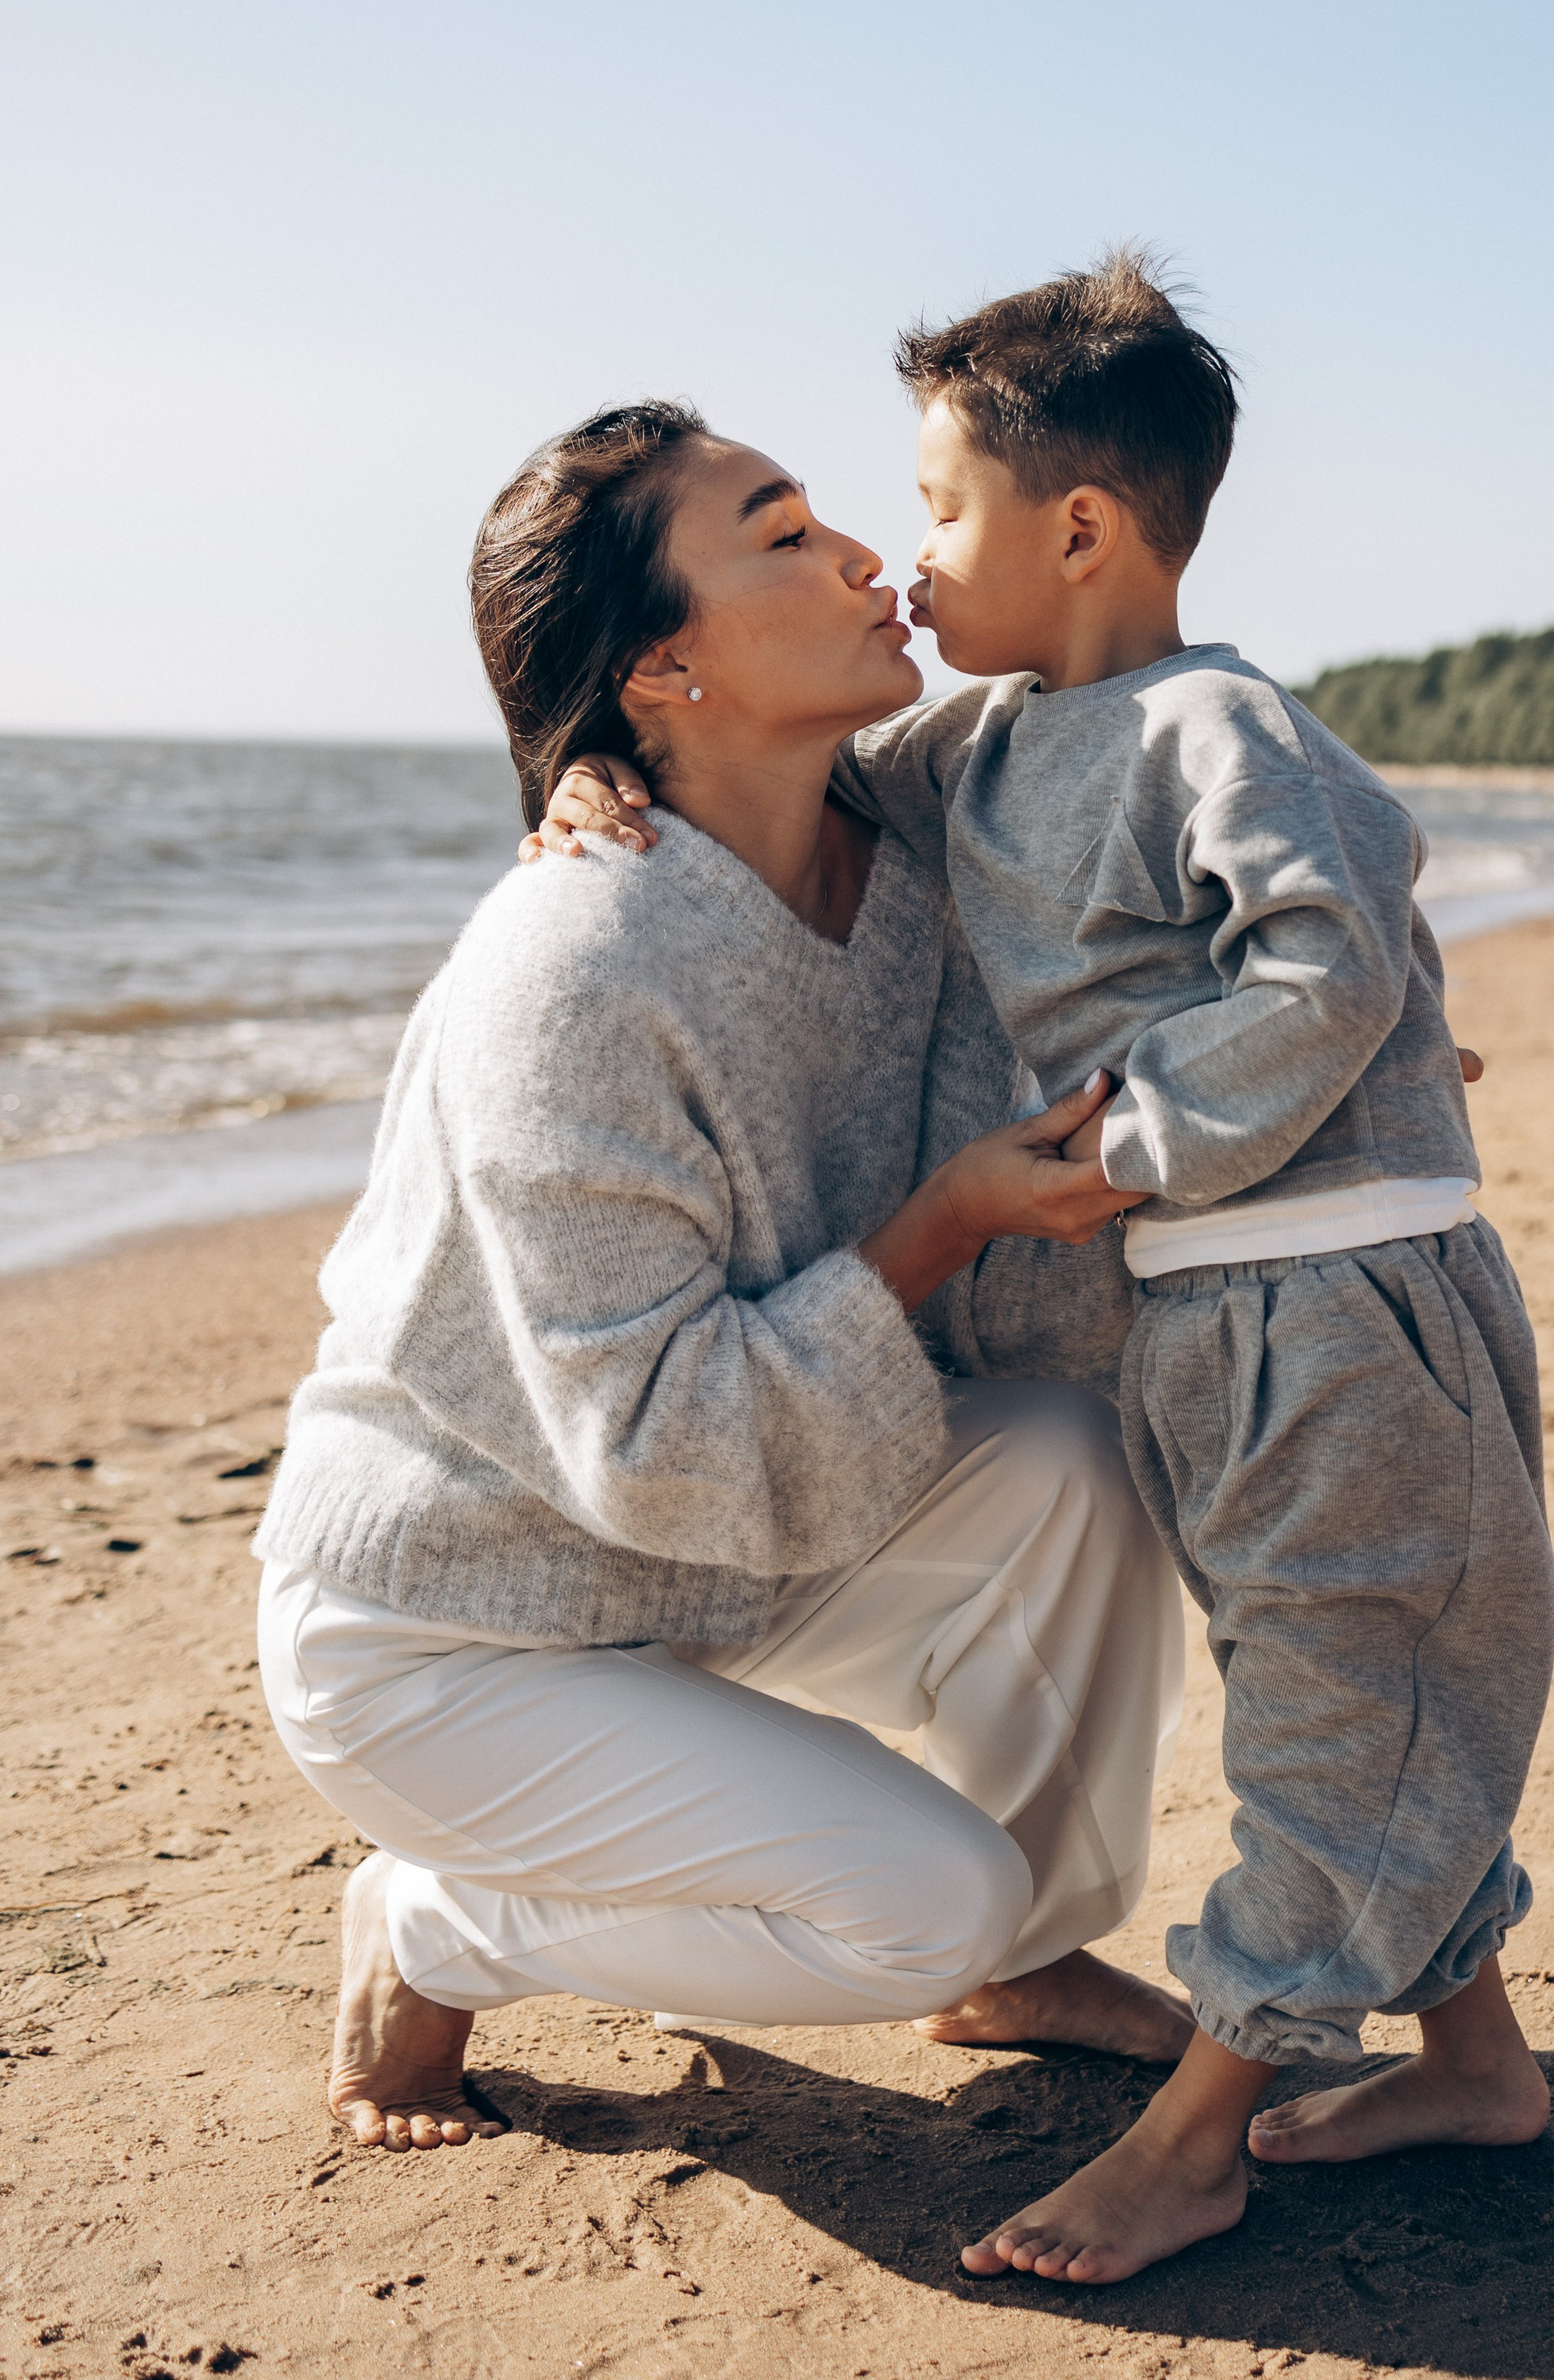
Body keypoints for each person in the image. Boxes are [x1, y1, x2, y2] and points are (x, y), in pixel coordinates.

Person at [542, 255, 1554, 2286]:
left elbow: (1331, 958)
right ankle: (1477, 2058)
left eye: (935, 514)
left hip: (1348, 1305)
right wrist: (601, 776)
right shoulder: (983, 750)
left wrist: (1143, 1141)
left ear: (1080, 527)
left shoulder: (1219, 727)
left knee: (1346, 1705)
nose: (904, 568)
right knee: (1323, 1674)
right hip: (1204, 1315)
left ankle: (1205, 2131)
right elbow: (790, 766)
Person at [254, 398, 1191, 2156]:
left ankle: (1032, 1956)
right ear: (663, 662)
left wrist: (1339, 1054)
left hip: (691, 1567)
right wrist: (937, 1227)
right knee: (919, 1901)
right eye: (781, 533)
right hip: (453, 1632)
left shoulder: (901, 850)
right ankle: (436, 1919)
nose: (864, 557)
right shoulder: (573, 960)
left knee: (1068, 1464)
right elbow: (661, 1440)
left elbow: (1151, 850)